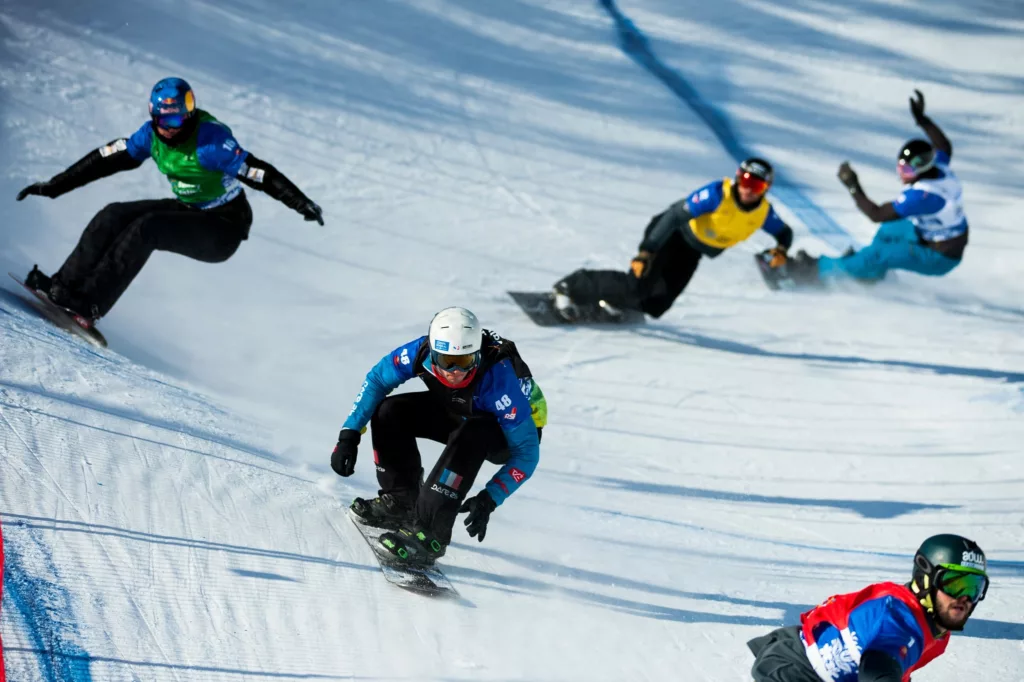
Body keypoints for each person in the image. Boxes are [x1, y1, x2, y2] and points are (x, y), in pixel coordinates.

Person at [16, 77, 323, 326]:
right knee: (113, 214)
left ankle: (89, 305)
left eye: (180, 116)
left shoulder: (211, 142)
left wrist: (300, 202)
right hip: (189, 209)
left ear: (190, 114)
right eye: (166, 118)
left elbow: (258, 173)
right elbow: (105, 159)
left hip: (224, 227)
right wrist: (55, 185)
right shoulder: (149, 136)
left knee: (147, 229)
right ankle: (63, 288)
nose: (173, 127)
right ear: (154, 116)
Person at [330, 306, 547, 565]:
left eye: (465, 361)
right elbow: (377, 380)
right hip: (464, 408)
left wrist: (491, 497)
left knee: (472, 433)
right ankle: (401, 501)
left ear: (477, 355)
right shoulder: (418, 352)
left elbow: (527, 454)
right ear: (432, 353)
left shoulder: (498, 383)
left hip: (509, 433)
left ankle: (431, 532)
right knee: (390, 411)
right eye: (446, 361)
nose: (454, 371)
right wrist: (349, 434)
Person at [552, 157, 793, 320]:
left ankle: (616, 302)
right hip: (671, 235)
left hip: (692, 250)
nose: (749, 189)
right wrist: (646, 252)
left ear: (766, 189)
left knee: (657, 305)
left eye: (758, 185)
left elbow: (784, 232)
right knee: (638, 285)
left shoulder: (763, 213)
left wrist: (781, 250)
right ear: (739, 177)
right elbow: (673, 216)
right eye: (747, 180)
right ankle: (571, 286)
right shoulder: (717, 194)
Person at [783, 90, 967, 285]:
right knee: (888, 231)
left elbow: (876, 213)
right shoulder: (939, 167)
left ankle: (811, 272)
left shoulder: (922, 196)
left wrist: (853, 185)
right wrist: (922, 119)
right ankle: (867, 273)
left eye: (906, 169)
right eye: (900, 166)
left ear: (920, 170)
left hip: (939, 257)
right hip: (930, 235)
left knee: (878, 254)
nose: (901, 173)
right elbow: (943, 145)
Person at [747, 534, 989, 682]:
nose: (965, 599)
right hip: (794, 672)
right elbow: (879, 665)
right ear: (925, 578)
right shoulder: (896, 618)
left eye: (974, 588)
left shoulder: (936, 632)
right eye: (955, 584)